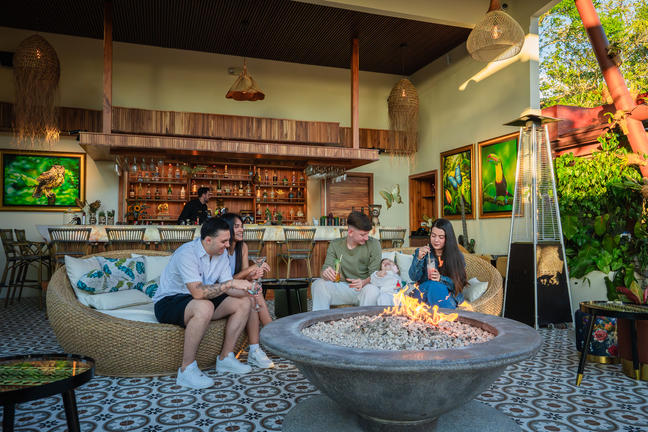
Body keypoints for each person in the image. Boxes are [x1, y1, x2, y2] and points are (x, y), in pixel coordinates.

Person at [152, 217, 273, 390]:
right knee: (205, 306)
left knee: (244, 302)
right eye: (223, 241)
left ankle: (226, 358)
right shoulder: (187, 253)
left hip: (200, 298)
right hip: (170, 301)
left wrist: (249, 289)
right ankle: (186, 370)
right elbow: (198, 292)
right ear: (208, 240)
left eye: (228, 241)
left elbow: (227, 288)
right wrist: (231, 283)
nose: (227, 245)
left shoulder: (220, 254)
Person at [312, 211, 382, 310]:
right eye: (362, 235)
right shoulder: (335, 244)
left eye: (367, 234)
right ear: (350, 232)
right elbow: (324, 270)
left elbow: (375, 275)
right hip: (342, 288)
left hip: (364, 289)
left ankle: (365, 319)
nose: (366, 238)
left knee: (373, 290)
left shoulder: (374, 244)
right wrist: (326, 273)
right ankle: (320, 319)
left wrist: (363, 282)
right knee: (318, 284)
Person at [220, 212, 273, 326]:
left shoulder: (243, 247)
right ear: (226, 229)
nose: (241, 230)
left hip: (236, 285)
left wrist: (252, 275)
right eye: (236, 227)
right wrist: (252, 268)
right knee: (254, 293)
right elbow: (227, 281)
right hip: (223, 289)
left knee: (255, 287)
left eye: (242, 226)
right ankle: (271, 329)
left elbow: (244, 276)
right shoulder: (221, 249)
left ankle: (269, 328)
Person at [408, 218, 466, 309]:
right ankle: (449, 316)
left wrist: (440, 279)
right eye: (433, 235)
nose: (436, 240)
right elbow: (413, 277)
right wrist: (418, 259)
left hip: (448, 296)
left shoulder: (457, 256)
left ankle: (442, 313)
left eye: (441, 237)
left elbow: (459, 284)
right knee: (432, 285)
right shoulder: (424, 253)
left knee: (436, 286)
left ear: (448, 238)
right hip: (424, 293)